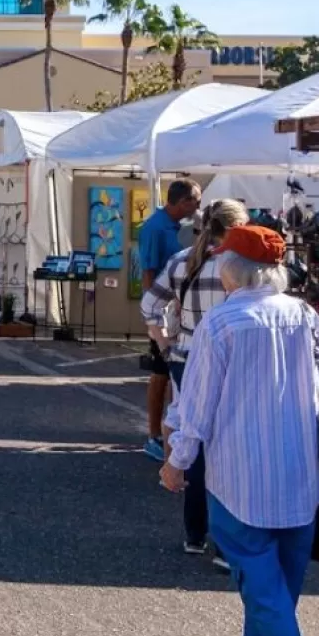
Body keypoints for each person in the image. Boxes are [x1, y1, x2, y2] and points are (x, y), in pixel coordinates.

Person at [163, 225, 319, 636]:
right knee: (278, 590)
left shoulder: (221, 322)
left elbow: (197, 405)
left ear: (233, 269)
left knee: (263, 589)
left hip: (240, 476)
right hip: (300, 472)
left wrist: (178, 460)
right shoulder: (305, 315)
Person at [141, 197, 249, 565]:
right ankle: (224, 541)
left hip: (186, 359)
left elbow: (149, 306)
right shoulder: (243, 266)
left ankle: (194, 532)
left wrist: (163, 340)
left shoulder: (182, 260)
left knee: (195, 439)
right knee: (230, 448)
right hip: (235, 361)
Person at [139, 178, 202, 461]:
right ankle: (153, 434)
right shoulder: (155, 227)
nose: (199, 206)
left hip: (180, 308)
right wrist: (155, 316)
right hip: (163, 307)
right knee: (161, 371)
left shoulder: (184, 227)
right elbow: (148, 272)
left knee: (176, 372)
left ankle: (172, 431)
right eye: (195, 201)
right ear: (182, 201)